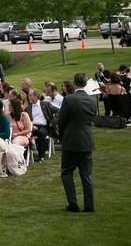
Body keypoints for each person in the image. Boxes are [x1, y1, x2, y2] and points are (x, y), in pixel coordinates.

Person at [57, 72, 97, 212]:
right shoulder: (92, 100)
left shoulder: (69, 99)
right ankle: (89, 205)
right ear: (85, 84)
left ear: (74, 84)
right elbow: (92, 119)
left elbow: (61, 121)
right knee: (86, 174)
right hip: (86, 140)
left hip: (71, 140)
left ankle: (73, 203)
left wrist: (62, 137)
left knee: (67, 172)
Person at [28, 89, 50, 161]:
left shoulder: (45, 104)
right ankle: (25, 154)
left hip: (43, 126)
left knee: (41, 133)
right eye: (29, 95)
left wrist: (53, 122)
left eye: (30, 95)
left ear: (36, 96)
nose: (29, 97)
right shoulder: (28, 108)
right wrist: (31, 126)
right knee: (25, 133)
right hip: (32, 126)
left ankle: (41, 156)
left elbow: (58, 111)